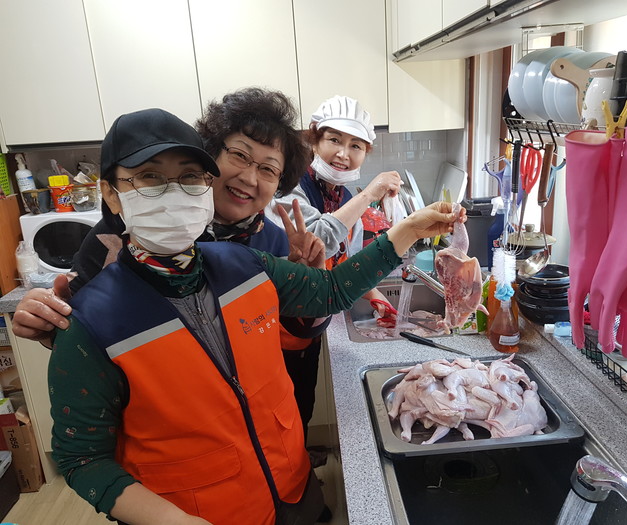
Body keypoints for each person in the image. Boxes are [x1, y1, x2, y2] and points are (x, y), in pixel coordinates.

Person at [48, 107, 462, 524]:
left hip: (291, 488)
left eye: (189, 177)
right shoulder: (91, 320)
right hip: (200, 511)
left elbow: (330, 291)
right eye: (150, 177)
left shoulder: (242, 262)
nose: (174, 194)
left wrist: (409, 229)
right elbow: (83, 460)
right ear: (111, 193)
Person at [12, 88, 329, 443]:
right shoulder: (114, 239)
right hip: (165, 439)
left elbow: (293, 342)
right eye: (239, 156)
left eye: (268, 169)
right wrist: (48, 324)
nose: (249, 178)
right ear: (210, 157)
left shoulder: (276, 244)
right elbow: (87, 341)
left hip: (264, 432)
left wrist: (312, 288)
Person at [266, 95, 403, 430]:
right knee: (278, 420)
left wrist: (372, 293)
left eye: (356, 145)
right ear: (314, 140)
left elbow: (346, 259)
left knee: (302, 408)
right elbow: (318, 240)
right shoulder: (288, 188)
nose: (343, 154)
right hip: (277, 331)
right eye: (334, 140)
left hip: (313, 320)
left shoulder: (343, 195)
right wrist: (370, 194)